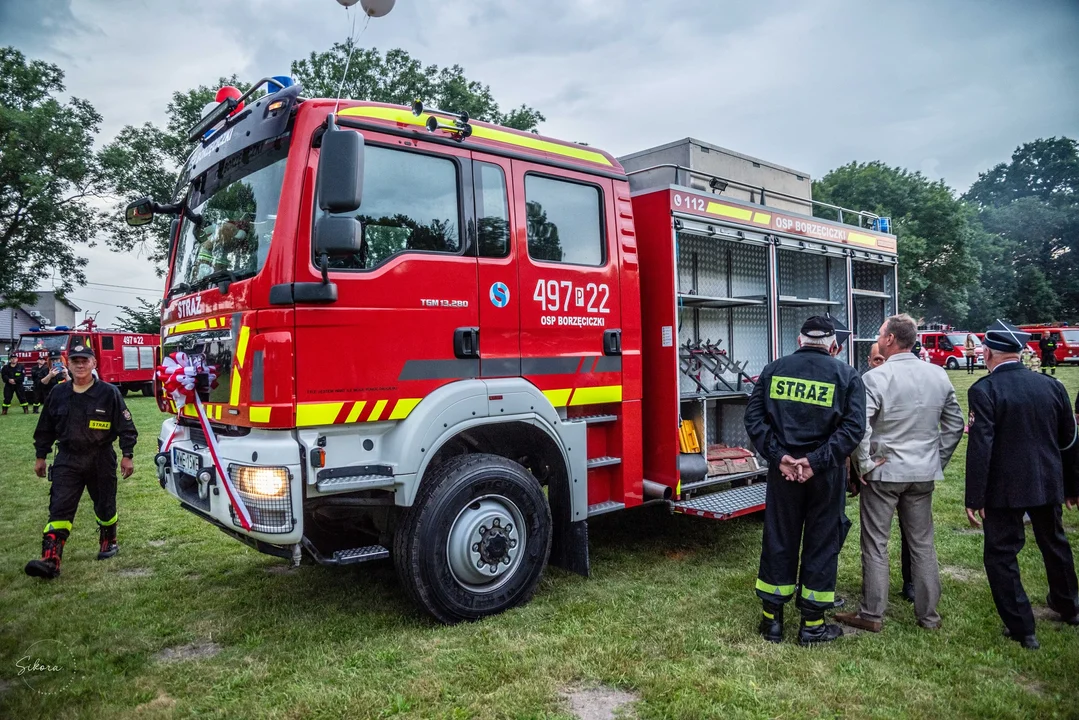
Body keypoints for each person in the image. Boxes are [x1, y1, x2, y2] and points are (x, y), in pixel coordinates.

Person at [836, 314, 965, 634]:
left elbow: (859, 427)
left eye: (881, 334)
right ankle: (929, 616)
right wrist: (937, 460)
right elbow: (955, 426)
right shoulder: (938, 375)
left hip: (884, 473)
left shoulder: (875, 377)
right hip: (922, 473)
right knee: (922, 544)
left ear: (891, 339)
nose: (878, 338)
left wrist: (863, 463)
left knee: (876, 544)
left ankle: (871, 613)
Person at [744, 316, 866, 645]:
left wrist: (780, 457)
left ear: (800, 341)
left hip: (783, 474)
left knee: (778, 538)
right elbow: (853, 429)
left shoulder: (773, 370)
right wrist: (815, 462)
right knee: (822, 542)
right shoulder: (847, 375)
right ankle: (812, 625)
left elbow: (753, 419)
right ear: (832, 345)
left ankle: (772, 622)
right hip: (826, 476)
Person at [965, 320, 1079, 650]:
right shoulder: (1051, 386)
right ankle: (1069, 605)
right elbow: (1069, 440)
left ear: (987, 353)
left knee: (1001, 555)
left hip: (1004, 488)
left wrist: (975, 496)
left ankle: (1022, 627)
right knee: (1055, 544)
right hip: (1047, 480)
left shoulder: (984, 390)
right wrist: (1072, 485)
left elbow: (981, 446)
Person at [24, 342, 138, 579]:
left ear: (93, 363)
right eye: (75, 361)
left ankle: (109, 540)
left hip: (101, 457)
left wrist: (127, 455)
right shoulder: (58, 393)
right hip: (68, 458)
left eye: (85, 360)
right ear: (68, 364)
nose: (80, 364)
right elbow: (45, 428)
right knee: (60, 506)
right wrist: (40, 457)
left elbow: (126, 427)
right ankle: (51, 560)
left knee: (105, 503)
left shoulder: (109, 393)